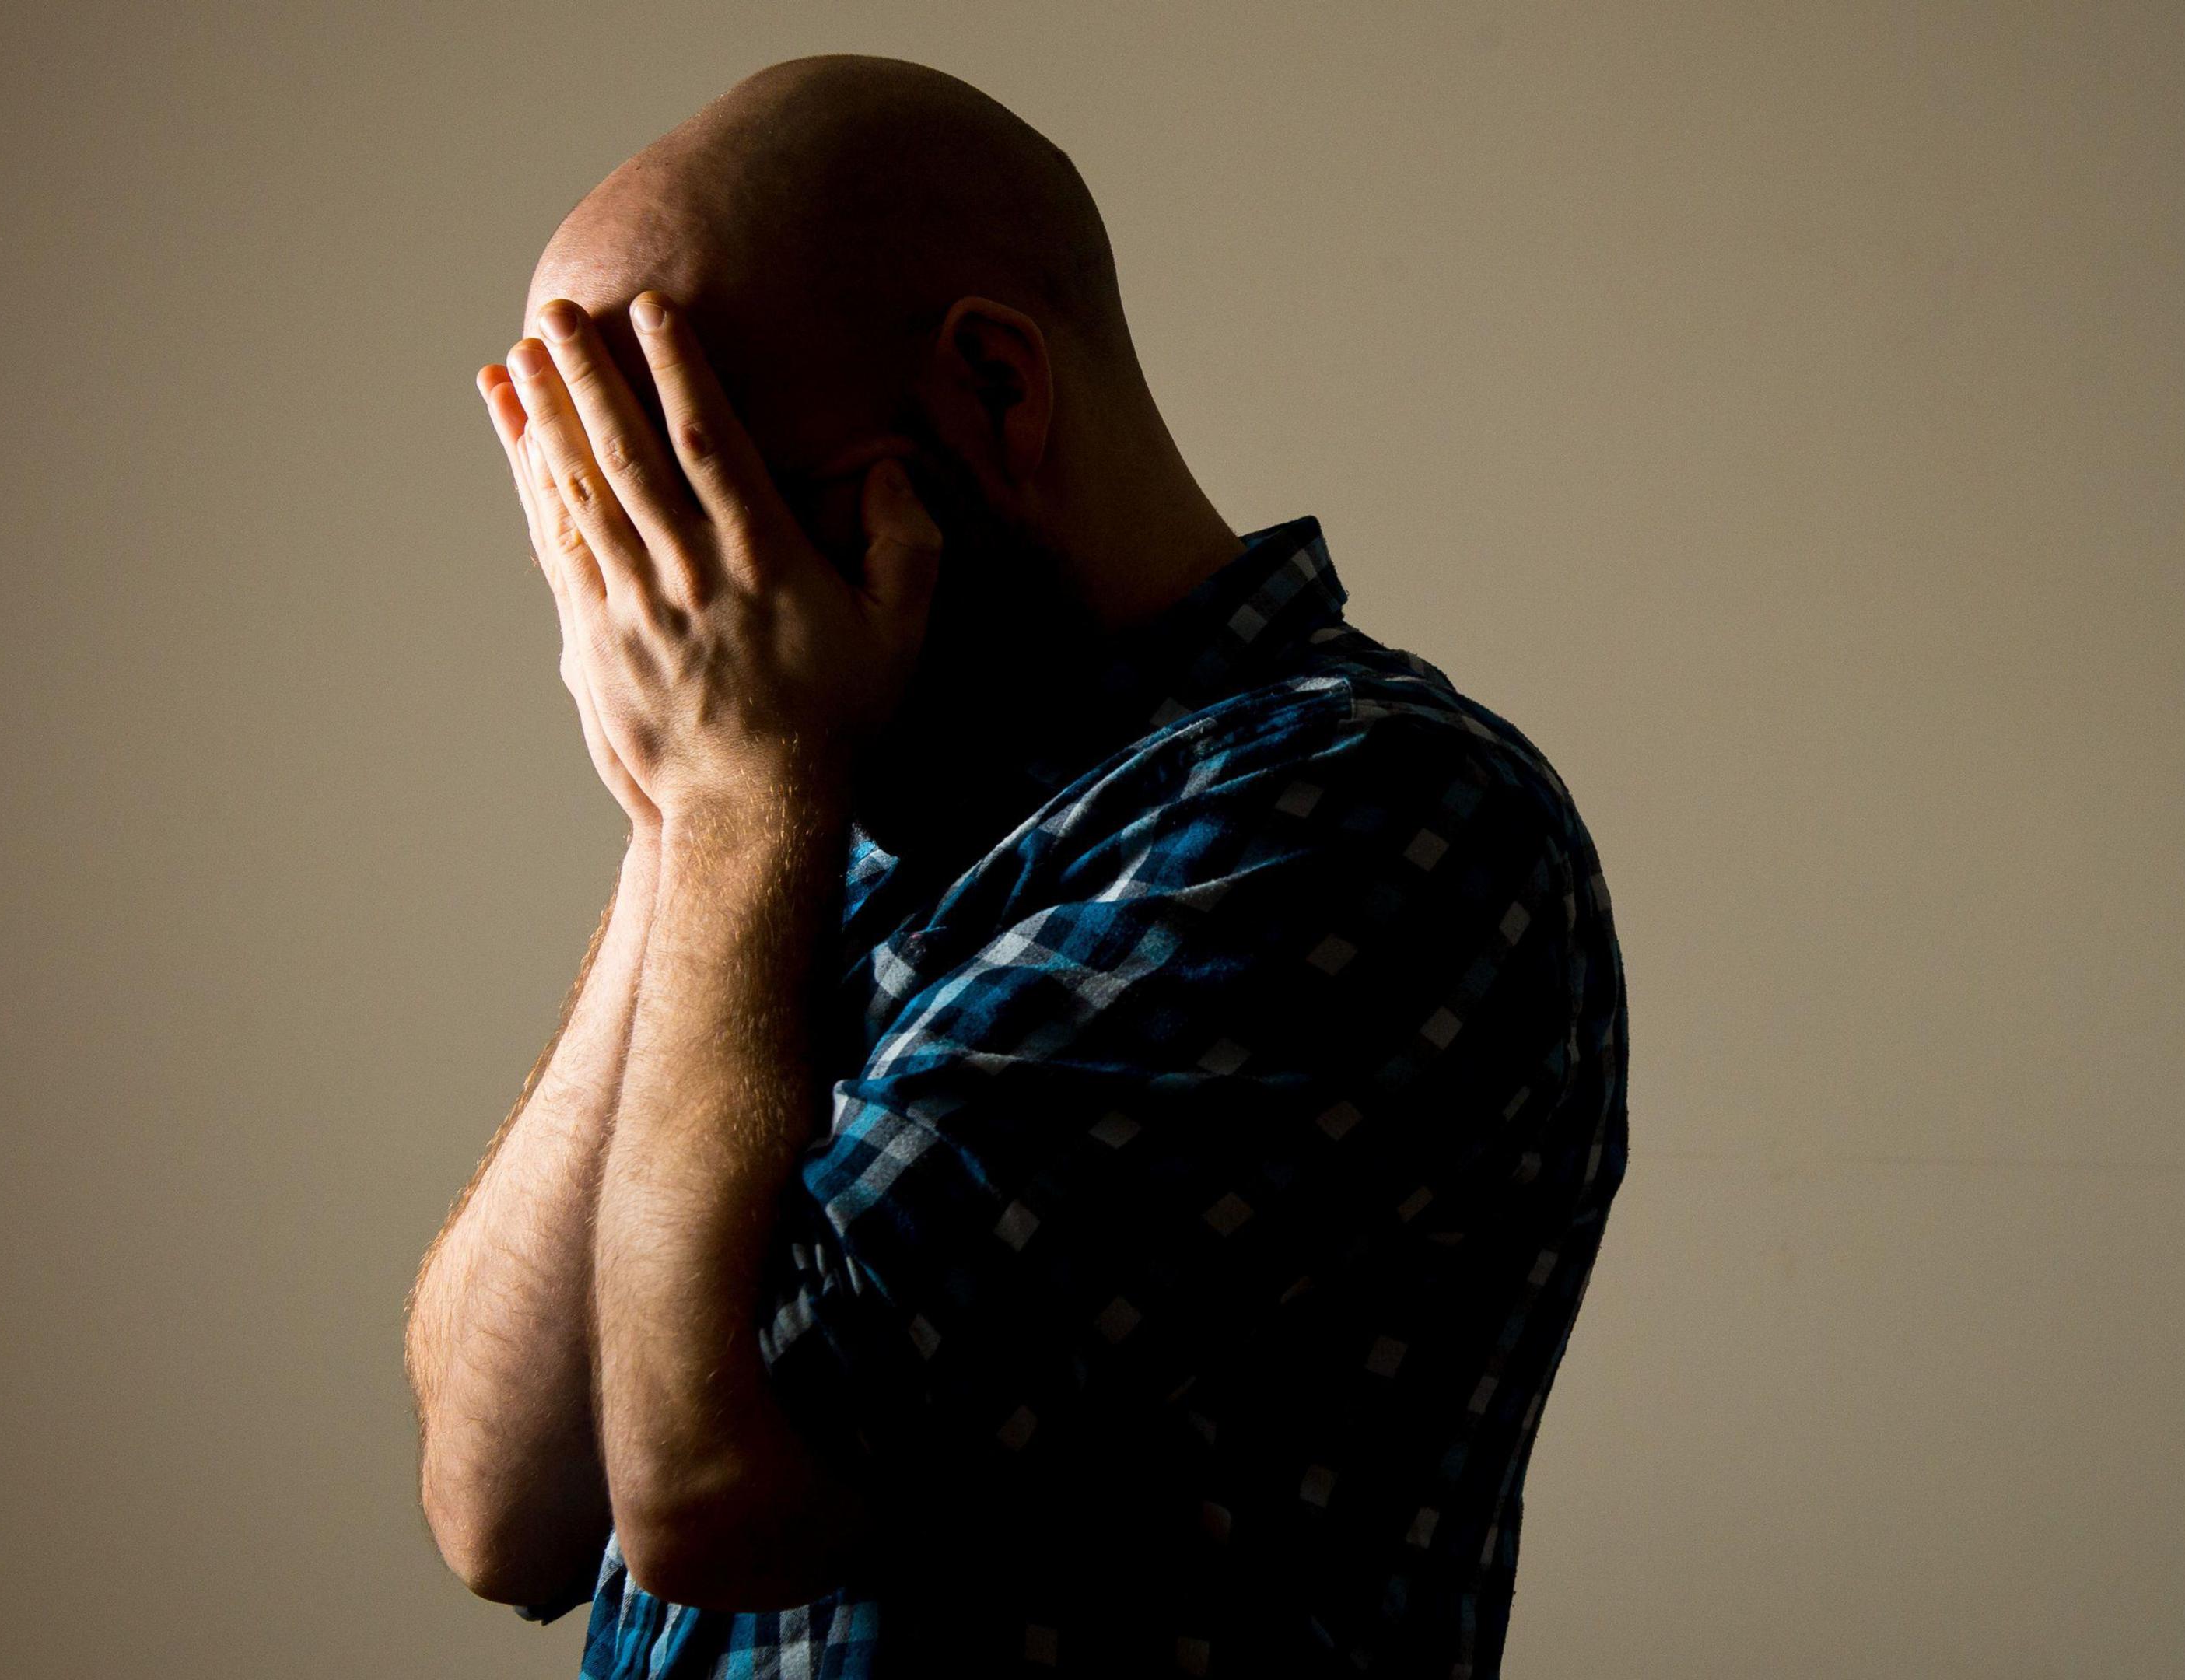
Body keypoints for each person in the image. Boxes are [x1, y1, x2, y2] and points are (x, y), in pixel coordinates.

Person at [401, 54, 1627, 1680]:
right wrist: (688, 811)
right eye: (617, 543)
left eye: (708, 511)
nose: (674, 610)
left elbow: (711, 1486)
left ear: (992, 389)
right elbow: (500, 1506)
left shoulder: (1367, 811)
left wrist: (729, 797)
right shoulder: (789, 832)